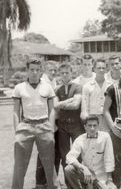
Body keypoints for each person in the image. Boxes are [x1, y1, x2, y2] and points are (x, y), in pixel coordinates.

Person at [12, 59, 58, 189]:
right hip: (25, 126)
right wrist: (17, 129)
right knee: (20, 164)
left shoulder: (47, 87)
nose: (34, 72)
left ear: (41, 71)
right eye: (31, 69)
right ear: (27, 70)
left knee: (49, 163)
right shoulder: (19, 88)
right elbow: (15, 111)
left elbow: (52, 110)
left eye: (37, 70)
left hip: (44, 126)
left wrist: (50, 128)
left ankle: (53, 187)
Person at [64, 115, 116, 189]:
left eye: (95, 125)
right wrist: (83, 168)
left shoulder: (105, 137)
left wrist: (109, 180)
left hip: (100, 178)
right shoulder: (80, 139)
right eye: (89, 125)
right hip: (86, 175)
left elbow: (109, 158)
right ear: (85, 127)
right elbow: (69, 157)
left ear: (98, 126)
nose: (92, 128)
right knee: (68, 169)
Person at [54, 63, 84, 187]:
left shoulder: (78, 87)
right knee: (64, 155)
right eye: (62, 73)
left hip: (76, 125)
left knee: (79, 154)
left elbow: (76, 105)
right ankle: (70, 184)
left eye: (67, 72)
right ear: (59, 74)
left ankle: (82, 182)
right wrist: (67, 101)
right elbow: (55, 106)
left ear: (71, 73)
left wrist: (61, 104)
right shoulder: (57, 89)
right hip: (62, 126)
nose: (65, 75)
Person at [35, 60, 61, 189]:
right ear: (44, 70)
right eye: (50, 70)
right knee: (44, 152)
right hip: (45, 122)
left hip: (54, 122)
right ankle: (41, 182)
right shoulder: (42, 83)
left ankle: (49, 181)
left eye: (55, 70)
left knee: (54, 152)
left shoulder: (54, 81)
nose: (53, 72)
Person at [81, 59, 112, 132]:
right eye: (99, 68)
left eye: (103, 68)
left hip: (107, 118)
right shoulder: (87, 86)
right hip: (93, 119)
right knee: (93, 141)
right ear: (94, 69)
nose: (101, 70)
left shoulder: (111, 85)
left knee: (106, 140)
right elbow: (84, 106)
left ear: (106, 69)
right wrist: (87, 120)